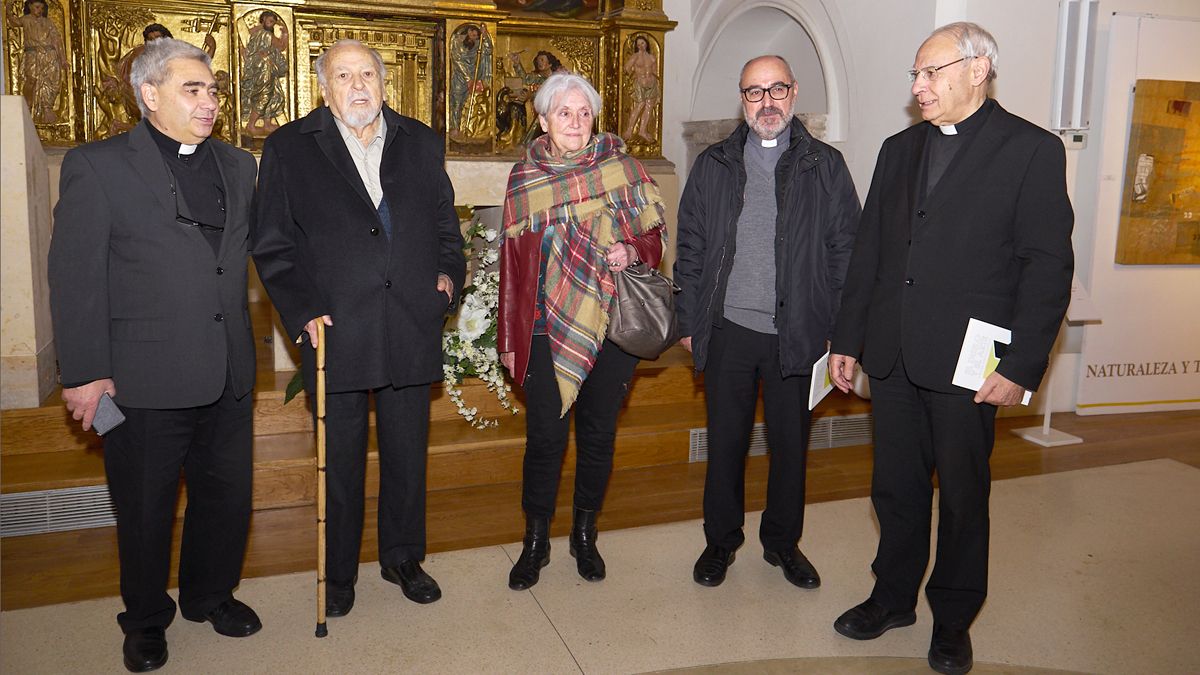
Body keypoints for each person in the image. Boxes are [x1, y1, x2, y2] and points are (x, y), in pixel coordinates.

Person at [828, 23, 1073, 675]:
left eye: (930, 73)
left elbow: (1047, 268)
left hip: (976, 354)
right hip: (895, 351)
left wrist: (1020, 368)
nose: (918, 87)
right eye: (915, 74)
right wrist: (847, 339)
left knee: (964, 492)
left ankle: (954, 617)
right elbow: (871, 255)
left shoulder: (1032, 151)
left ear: (977, 69)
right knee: (895, 487)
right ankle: (893, 597)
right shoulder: (897, 148)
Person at [47, 38, 261, 672]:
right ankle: (143, 618)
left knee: (226, 498)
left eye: (214, 90)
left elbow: (261, 254)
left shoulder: (239, 165)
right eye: (193, 89)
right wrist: (85, 372)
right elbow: (75, 273)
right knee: (144, 508)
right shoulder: (98, 165)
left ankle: (210, 595)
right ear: (149, 95)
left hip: (227, 368)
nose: (210, 102)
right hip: (139, 377)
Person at [252, 39, 465, 617]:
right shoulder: (289, 148)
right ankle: (339, 572)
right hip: (334, 330)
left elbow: (447, 225)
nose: (358, 84)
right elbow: (272, 245)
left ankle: (403, 557)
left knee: (406, 453)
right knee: (340, 459)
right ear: (324, 86)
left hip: (409, 324)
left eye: (367, 72)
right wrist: (301, 310)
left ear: (384, 81)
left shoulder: (419, 142)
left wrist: (448, 275)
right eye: (344, 75)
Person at [674, 55, 861, 590]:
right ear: (743, 100)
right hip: (730, 329)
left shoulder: (824, 166)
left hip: (797, 332)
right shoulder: (714, 165)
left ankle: (783, 543)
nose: (767, 102)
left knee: (790, 447)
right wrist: (689, 320)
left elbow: (846, 251)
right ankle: (720, 541)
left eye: (776, 89)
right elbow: (690, 245)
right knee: (726, 443)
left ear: (794, 93)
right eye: (755, 93)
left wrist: (843, 332)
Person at [498, 71, 665, 590]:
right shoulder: (525, 179)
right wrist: (508, 338)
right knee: (545, 439)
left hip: (613, 325)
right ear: (544, 120)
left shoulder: (624, 170)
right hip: (547, 329)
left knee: (598, 436)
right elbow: (511, 266)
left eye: (584, 112)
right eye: (563, 112)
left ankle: (585, 534)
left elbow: (655, 238)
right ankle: (535, 542)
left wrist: (632, 250)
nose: (574, 122)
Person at [15, 0, 66, 124]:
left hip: (49, 55)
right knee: (31, 79)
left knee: (51, 80)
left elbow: (57, 40)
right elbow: (14, 22)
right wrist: (9, 7)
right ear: (30, 6)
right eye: (37, 7)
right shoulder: (26, 20)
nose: (40, 10)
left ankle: (47, 108)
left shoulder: (48, 22)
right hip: (32, 54)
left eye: (42, 8)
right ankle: (27, 106)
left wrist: (63, 59)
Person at [239, 10, 288, 136]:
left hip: (267, 68)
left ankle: (267, 123)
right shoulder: (266, 35)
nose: (272, 24)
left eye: (273, 22)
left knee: (274, 94)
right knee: (265, 95)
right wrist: (285, 34)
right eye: (270, 21)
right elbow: (281, 46)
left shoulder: (256, 33)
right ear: (263, 20)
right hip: (264, 68)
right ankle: (251, 125)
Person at [449, 24, 492, 138]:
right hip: (460, 77)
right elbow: (457, 60)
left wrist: (485, 35)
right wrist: (468, 78)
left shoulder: (478, 44)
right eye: (473, 34)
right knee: (456, 102)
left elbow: (488, 50)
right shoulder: (457, 41)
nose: (474, 37)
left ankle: (468, 130)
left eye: (477, 36)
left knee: (469, 103)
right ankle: (455, 127)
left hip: (474, 77)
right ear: (468, 31)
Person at [621, 35, 659, 143]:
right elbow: (626, 68)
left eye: (642, 43)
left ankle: (642, 130)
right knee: (639, 105)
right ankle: (629, 130)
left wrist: (656, 81)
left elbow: (655, 71)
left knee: (649, 107)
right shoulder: (635, 57)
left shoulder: (652, 57)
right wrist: (634, 75)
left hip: (651, 83)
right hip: (640, 83)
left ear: (646, 44)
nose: (641, 46)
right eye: (638, 44)